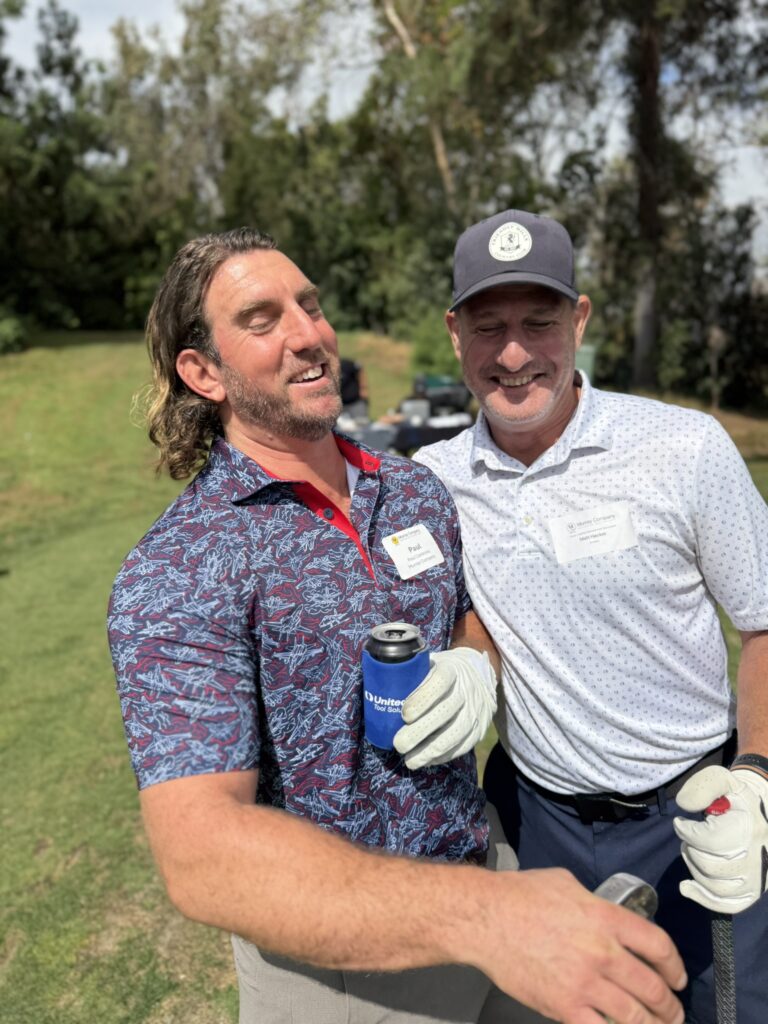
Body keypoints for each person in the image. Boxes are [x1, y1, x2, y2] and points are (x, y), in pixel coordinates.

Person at [107, 226, 687, 1024]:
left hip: (487, 872)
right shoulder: (179, 566)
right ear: (203, 373)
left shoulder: (414, 491)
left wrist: (473, 662)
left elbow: (466, 614)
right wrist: (487, 920)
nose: (308, 334)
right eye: (263, 320)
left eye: (309, 305)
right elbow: (203, 858)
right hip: (350, 972)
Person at [397, 209, 768, 1023]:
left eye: (539, 322)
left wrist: (757, 778)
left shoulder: (684, 447)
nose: (514, 353)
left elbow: (764, 620)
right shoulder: (432, 480)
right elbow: (469, 609)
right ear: (455, 334)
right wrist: (471, 658)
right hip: (537, 825)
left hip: (698, 811)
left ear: (581, 319)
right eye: (488, 327)